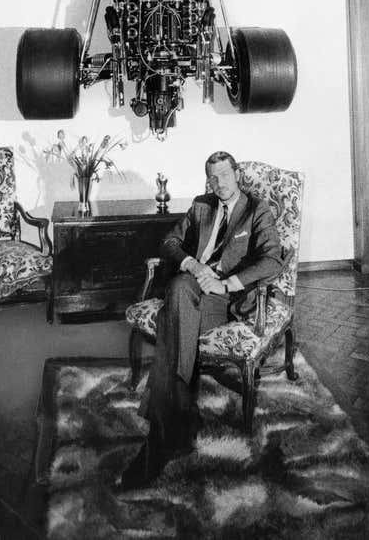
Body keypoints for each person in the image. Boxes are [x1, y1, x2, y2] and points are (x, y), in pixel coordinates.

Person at [120, 150, 282, 489]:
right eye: (213, 177)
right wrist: (193, 264)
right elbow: (170, 242)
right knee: (180, 288)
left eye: (224, 175)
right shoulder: (200, 205)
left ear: (237, 174)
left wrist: (224, 282)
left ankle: (163, 434)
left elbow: (272, 261)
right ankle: (176, 423)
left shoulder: (257, 210)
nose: (219, 183)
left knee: (173, 311)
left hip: (225, 298)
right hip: (193, 284)